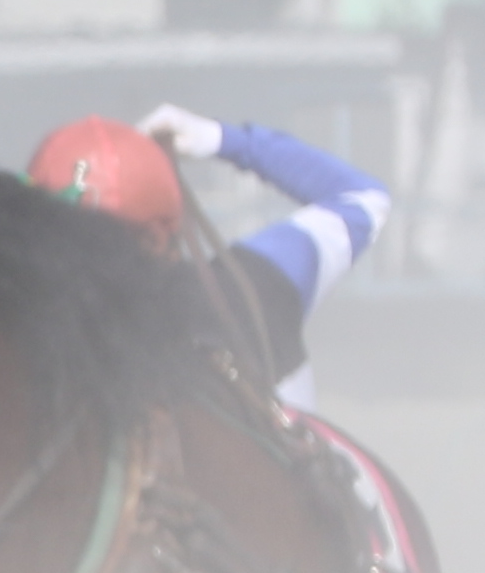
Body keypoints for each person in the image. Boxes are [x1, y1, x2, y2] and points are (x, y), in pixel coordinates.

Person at [30, 104, 394, 410]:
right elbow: (364, 197)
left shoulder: (25, 343)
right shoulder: (260, 282)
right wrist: (225, 141)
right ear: (158, 237)